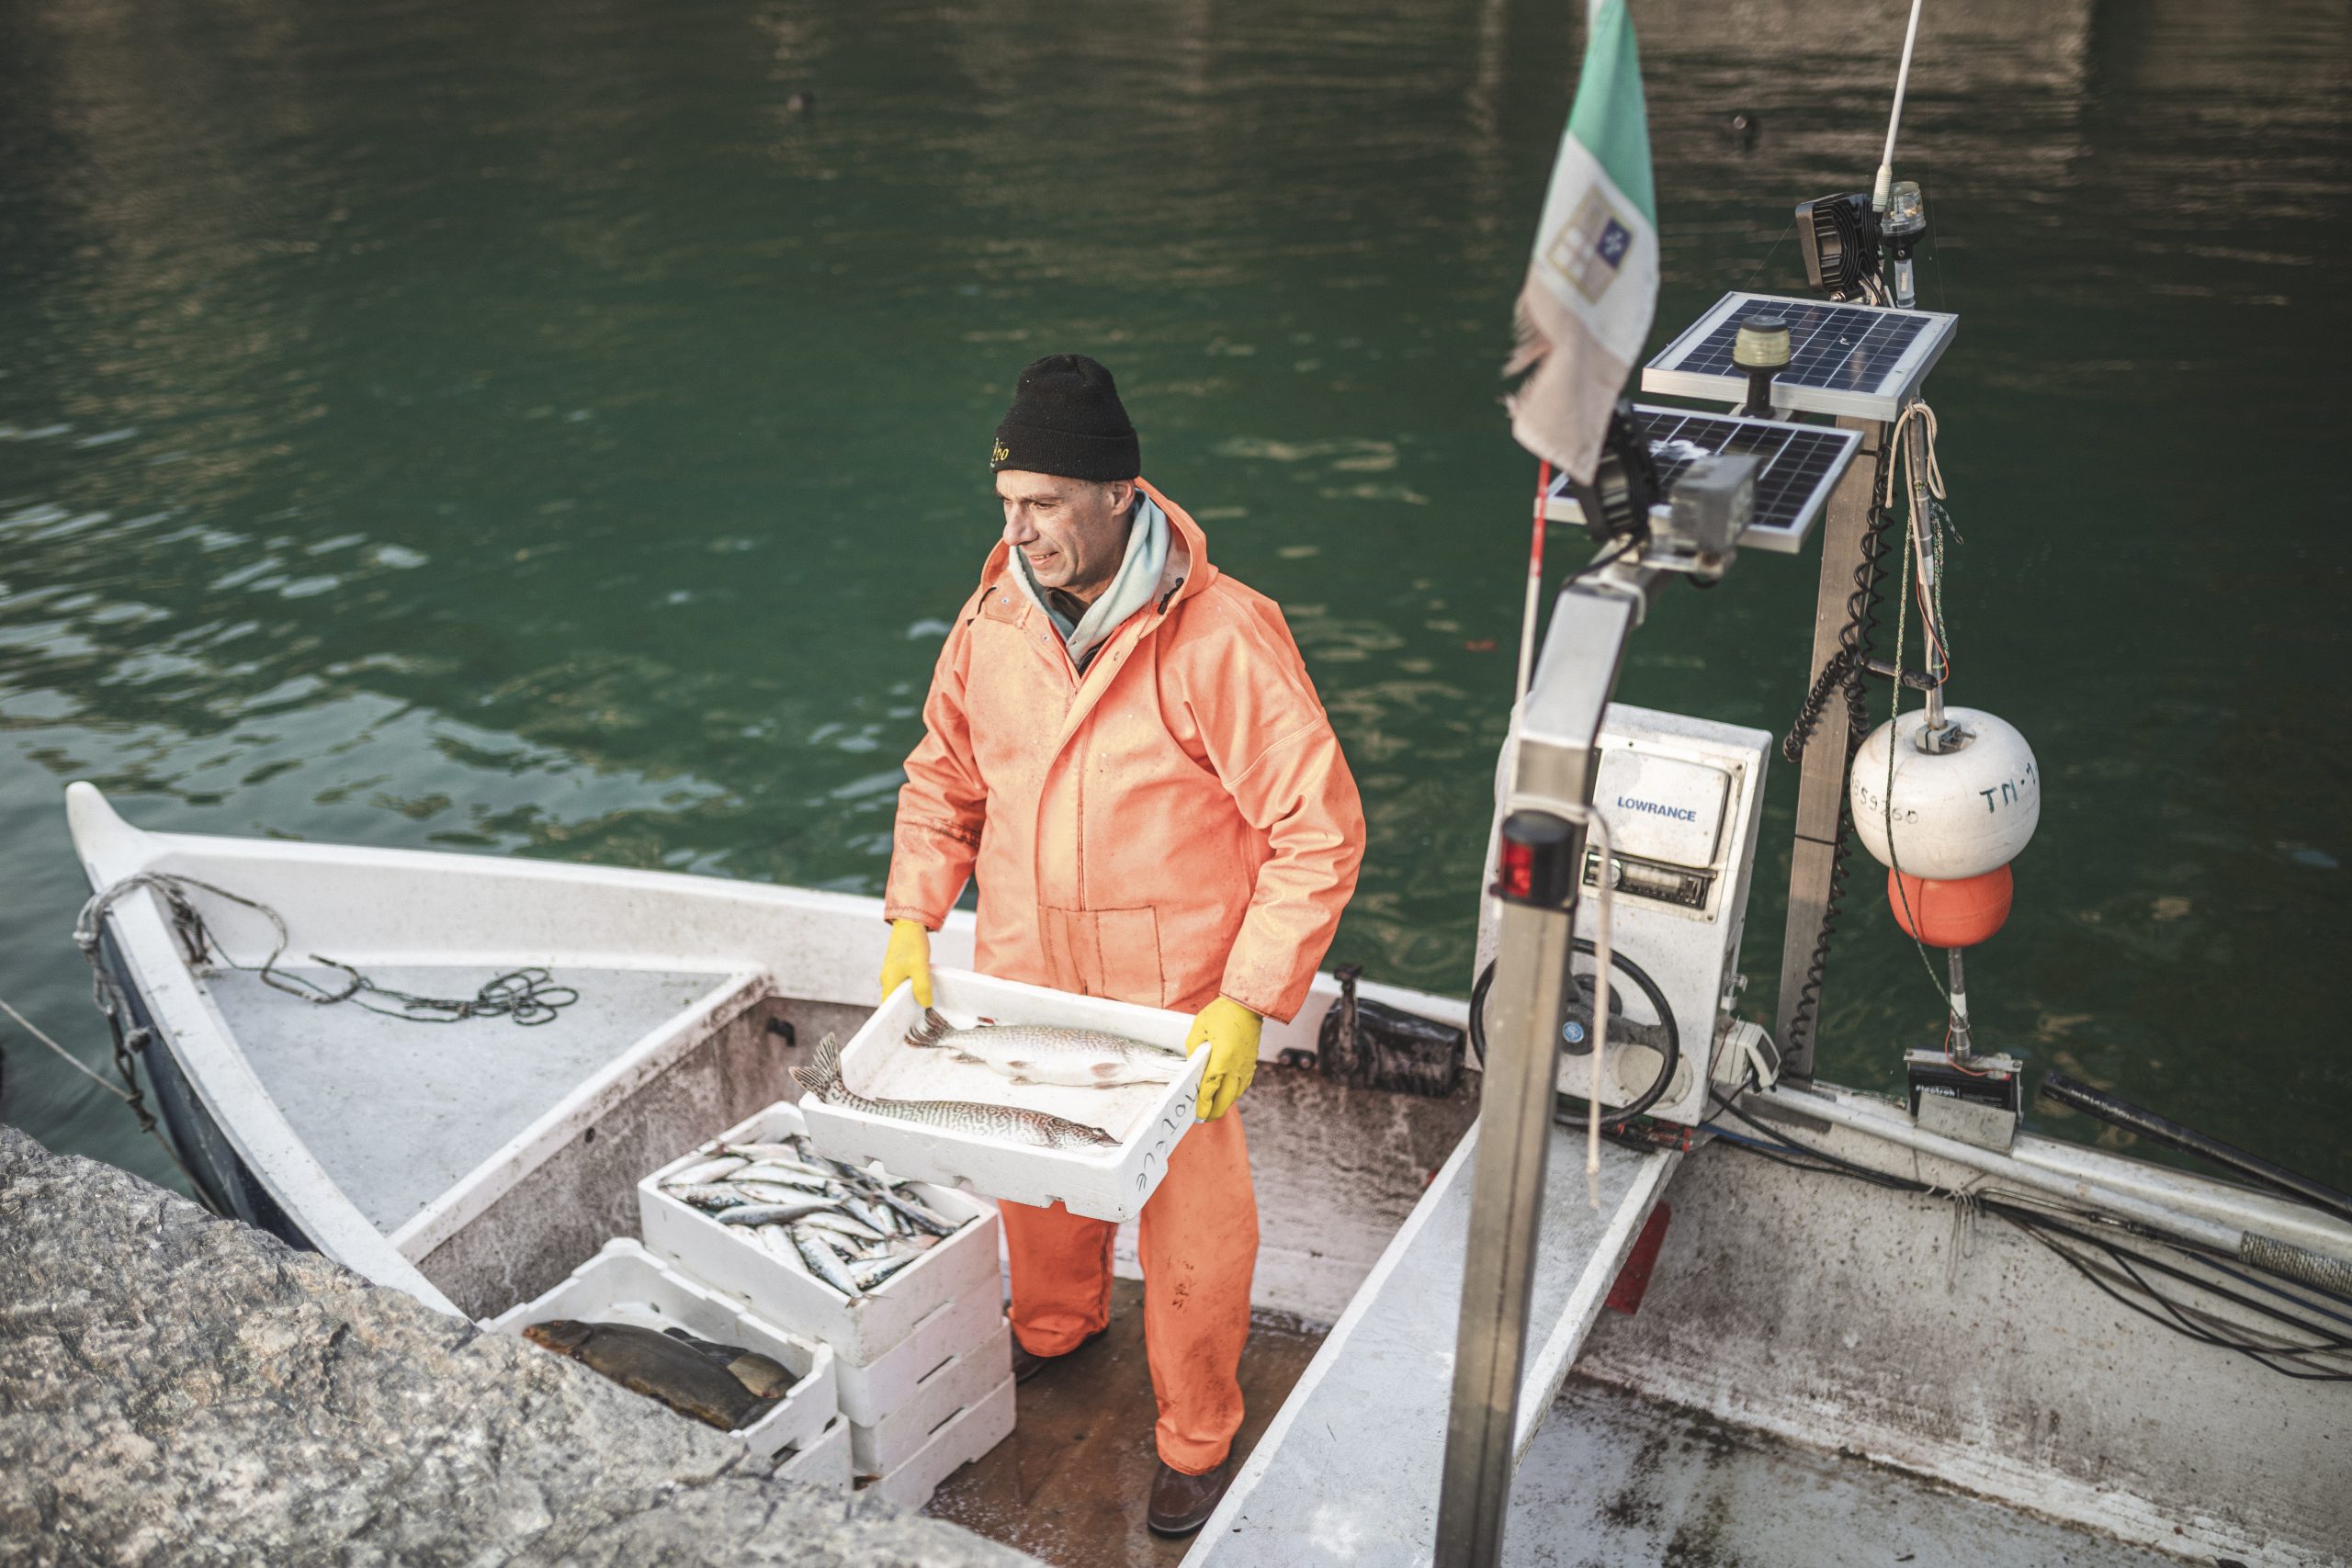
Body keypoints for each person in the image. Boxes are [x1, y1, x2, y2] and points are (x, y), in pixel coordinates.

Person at [878, 353, 1364, 1535]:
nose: (1021, 529)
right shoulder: (993, 614)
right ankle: (1053, 1331)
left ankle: (1197, 1434)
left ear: (1116, 493)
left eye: (1043, 504)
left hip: (1175, 1007)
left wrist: (1249, 997)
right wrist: (911, 922)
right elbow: (942, 779)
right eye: (1007, 506)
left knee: (1194, 1240)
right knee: (1035, 1188)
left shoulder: (1222, 636)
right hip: (1031, 979)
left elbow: (1317, 832)